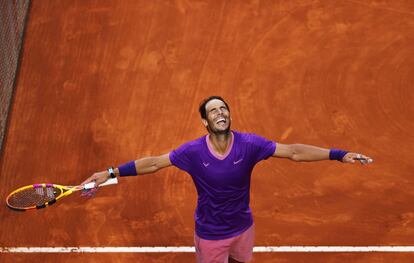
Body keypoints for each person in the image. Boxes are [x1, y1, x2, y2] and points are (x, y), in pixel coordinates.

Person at [82, 95, 372, 263]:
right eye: (213, 111)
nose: (221, 112)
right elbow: (154, 163)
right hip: (210, 235)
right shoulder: (192, 152)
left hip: (244, 228)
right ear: (205, 123)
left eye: (224, 108)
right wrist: (109, 174)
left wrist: (339, 154)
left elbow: (294, 152)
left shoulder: (250, 145)